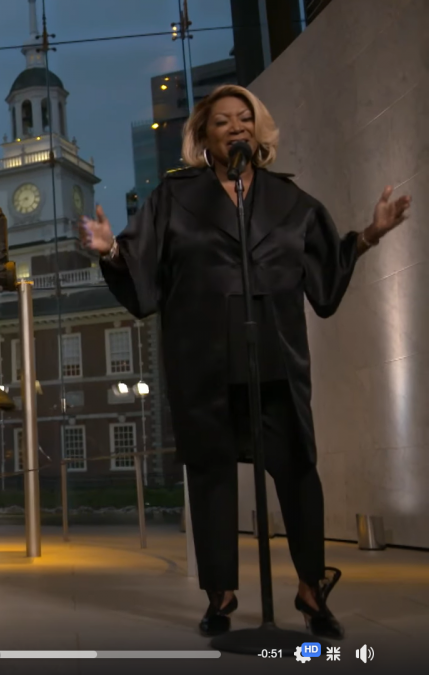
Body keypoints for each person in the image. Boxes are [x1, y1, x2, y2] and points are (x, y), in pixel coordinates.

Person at [77, 84, 411, 640]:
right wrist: (111, 249)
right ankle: (221, 593)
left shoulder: (290, 201)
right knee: (210, 473)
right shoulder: (173, 198)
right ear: (203, 137)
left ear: (258, 132)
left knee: (299, 470)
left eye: (245, 119)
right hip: (202, 358)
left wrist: (372, 232)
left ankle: (310, 589)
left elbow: (325, 272)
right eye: (223, 121)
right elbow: (143, 271)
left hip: (274, 355)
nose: (237, 128)